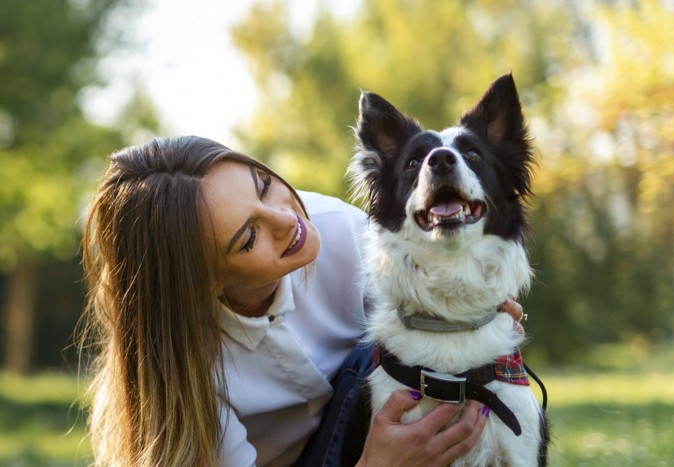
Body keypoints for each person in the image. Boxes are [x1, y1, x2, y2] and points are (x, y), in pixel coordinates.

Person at [78, 135, 525, 466]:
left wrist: (476, 310)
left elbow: (456, 287)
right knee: (366, 361)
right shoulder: (188, 369)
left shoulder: (343, 231)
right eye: (248, 236)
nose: (286, 220)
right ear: (203, 284)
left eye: (264, 184)